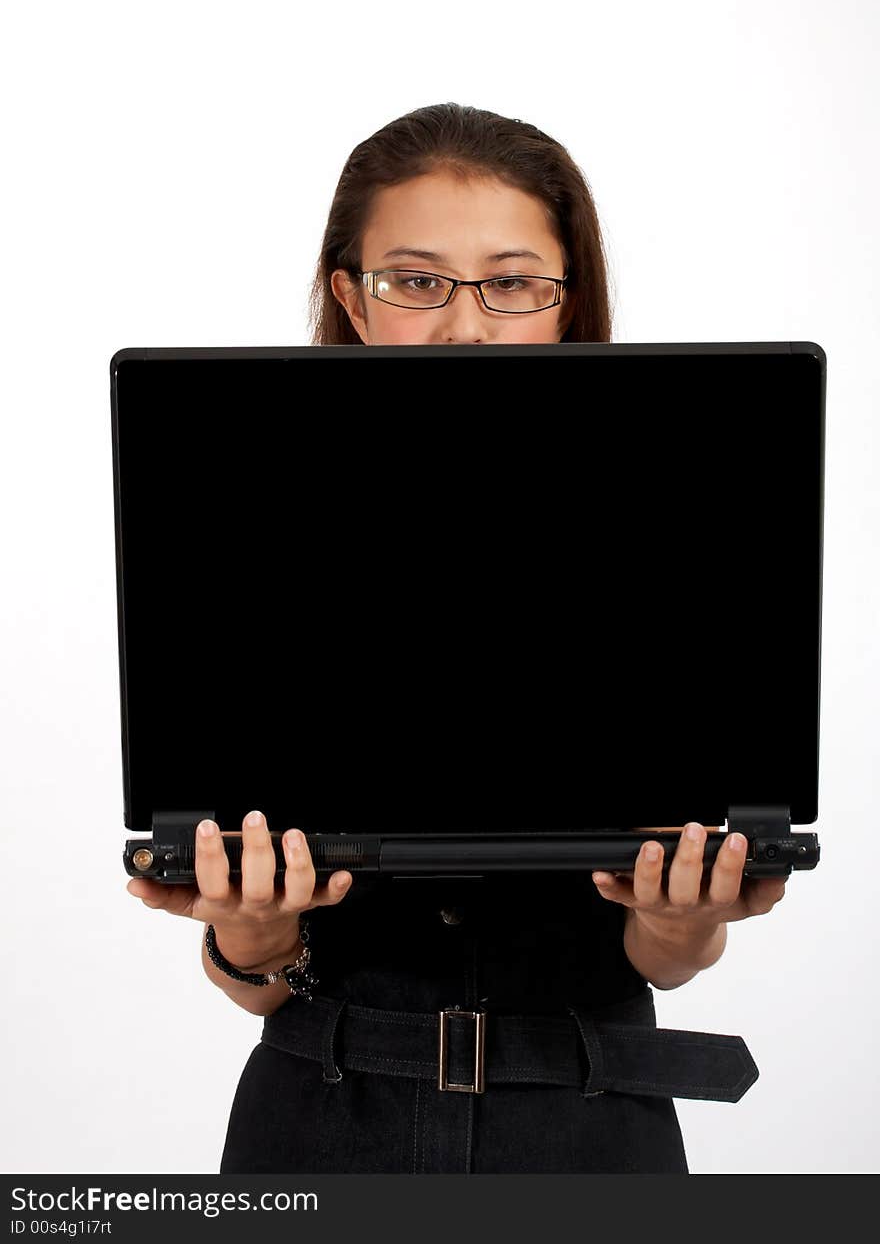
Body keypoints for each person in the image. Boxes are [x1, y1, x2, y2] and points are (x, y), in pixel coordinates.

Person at [125, 102, 787, 1173]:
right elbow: (255, 971)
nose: (466, 326)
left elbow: (663, 958)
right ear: (352, 294)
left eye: (512, 283)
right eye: (418, 280)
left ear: (569, 300)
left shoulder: (677, 527)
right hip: (322, 1123)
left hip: (585, 1133)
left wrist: (677, 923)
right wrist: (251, 936)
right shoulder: (242, 525)